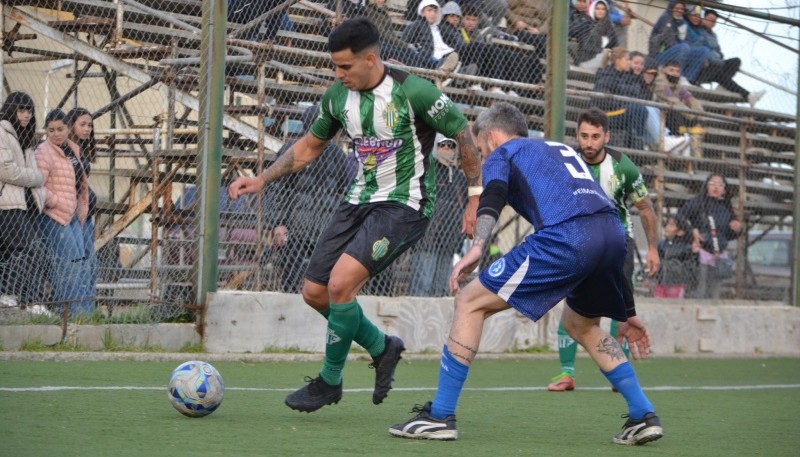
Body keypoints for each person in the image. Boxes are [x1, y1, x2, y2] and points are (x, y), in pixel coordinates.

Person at [227, 17, 482, 413]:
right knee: (314, 291)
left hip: (405, 204)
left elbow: (463, 133)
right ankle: (383, 347)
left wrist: (474, 197)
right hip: (358, 200)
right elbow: (309, 147)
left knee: (341, 285)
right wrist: (262, 179)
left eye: (345, 66)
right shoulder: (336, 98)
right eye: (334, 66)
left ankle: (330, 381)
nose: (338, 74)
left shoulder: (414, 92)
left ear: (370, 59)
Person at [388, 102, 662, 445]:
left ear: (491, 136)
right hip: (612, 235)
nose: (483, 156)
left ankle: (441, 415)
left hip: (569, 236)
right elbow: (599, 221)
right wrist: (628, 311)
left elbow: (494, 194)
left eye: (481, 148)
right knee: (582, 325)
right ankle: (642, 414)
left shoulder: (505, 151)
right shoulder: (559, 148)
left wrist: (477, 247)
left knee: (470, 301)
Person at [546, 108, 660, 392]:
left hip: (618, 245)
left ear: (606, 136)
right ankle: (566, 373)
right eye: (584, 136)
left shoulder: (623, 166)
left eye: (595, 136)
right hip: (580, 245)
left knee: (617, 311)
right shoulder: (566, 163)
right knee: (572, 306)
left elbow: (645, 208)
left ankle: (615, 373)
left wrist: (653, 249)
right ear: (577, 135)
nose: (589, 142)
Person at [264, 104, 358, 293]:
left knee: (323, 280)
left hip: (325, 227)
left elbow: (342, 192)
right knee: (292, 276)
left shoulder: (336, 154)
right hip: (296, 228)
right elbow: (277, 189)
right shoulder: (292, 150)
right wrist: (278, 224)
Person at [35, 109, 92, 317]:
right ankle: (71, 315)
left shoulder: (71, 149)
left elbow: (79, 182)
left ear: (68, 129)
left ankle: (84, 314)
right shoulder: (43, 152)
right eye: (51, 130)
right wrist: (56, 201)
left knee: (80, 264)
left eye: (60, 129)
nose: (56, 133)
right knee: (68, 265)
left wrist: (80, 207)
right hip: (54, 215)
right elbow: (37, 185)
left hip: (73, 215)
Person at [0, 92, 46, 308]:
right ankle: (12, 296)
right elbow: (6, 170)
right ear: (12, 110)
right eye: (21, 110)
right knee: (27, 249)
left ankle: (25, 301)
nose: (26, 115)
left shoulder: (26, 138)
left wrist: (38, 186)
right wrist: (36, 179)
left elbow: (30, 173)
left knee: (32, 251)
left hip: (29, 204)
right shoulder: (2, 131)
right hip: (8, 204)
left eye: (29, 111)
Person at [409, 135, 466, 297]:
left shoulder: (460, 178)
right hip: (427, 239)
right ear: (436, 147)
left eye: (451, 146)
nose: (447, 150)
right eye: (443, 146)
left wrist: (458, 240)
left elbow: (464, 209)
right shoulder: (427, 172)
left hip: (449, 242)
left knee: (441, 288)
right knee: (423, 284)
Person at [677, 173, 741, 299]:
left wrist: (737, 229)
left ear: (724, 189)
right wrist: (692, 231)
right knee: (700, 289)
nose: (716, 187)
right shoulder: (697, 203)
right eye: (712, 184)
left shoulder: (726, 208)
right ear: (706, 186)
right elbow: (680, 217)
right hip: (702, 252)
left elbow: (729, 235)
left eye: (720, 185)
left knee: (715, 292)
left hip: (719, 255)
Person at [686, 8, 765, 107]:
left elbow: (719, 52)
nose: (712, 22)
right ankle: (747, 95)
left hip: (716, 65)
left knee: (735, 61)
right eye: (710, 19)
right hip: (704, 67)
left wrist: (718, 57)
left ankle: (723, 86)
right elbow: (698, 47)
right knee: (718, 69)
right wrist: (712, 57)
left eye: (714, 21)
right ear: (704, 18)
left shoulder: (714, 35)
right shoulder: (698, 29)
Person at [66, 107, 98, 309]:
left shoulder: (80, 150)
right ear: (72, 125)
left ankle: (88, 308)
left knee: (91, 264)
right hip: (73, 215)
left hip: (86, 216)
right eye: (83, 124)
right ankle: (81, 309)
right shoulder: (66, 150)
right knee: (82, 263)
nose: (87, 129)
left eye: (90, 125)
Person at [593, 47, 647, 149]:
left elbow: (636, 94)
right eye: (627, 59)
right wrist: (623, 104)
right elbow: (601, 99)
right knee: (636, 109)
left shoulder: (628, 76)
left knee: (641, 109)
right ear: (617, 61)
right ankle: (636, 145)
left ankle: (637, 142)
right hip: (607, 114)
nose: (629, 62)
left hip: (623, 111)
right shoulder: (607, 75)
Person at [654, 60, 705, 167]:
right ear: (663, 70)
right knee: (678, 115)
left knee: (697, 124)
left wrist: (700, 114)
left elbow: (690, 98)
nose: (674, 73)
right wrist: (692, 116)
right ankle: (681, 160)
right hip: (662, 117)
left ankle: (694, 158)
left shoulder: (677, 85)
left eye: (677, 71)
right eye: (671, 70)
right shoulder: (660, 82)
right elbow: (672, 100)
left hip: (677, 115)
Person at [648, 1, 709, 84]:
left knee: (702, 51)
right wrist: (683, 47)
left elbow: (686, 40)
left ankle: (686, 78)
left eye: (681, 9)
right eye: (677, 8)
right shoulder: (665, 18)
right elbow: (668, 40)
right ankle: (678, 76)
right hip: (659, 55)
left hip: (677, 51)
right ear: (671, 8)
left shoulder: (682, 22)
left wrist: (685, 48)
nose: (679, 10)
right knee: (683, 47)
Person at [400, 0, 463, 76]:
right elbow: (404, 42)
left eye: (435, 11)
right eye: (429, 10)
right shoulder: (416, 24)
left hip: (440, 56)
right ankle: (441, 72)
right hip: (424, 57)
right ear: (422, 12)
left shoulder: (438, 28)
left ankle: (449, 70)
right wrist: (416, 47)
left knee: (457, 55)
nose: (432, 14)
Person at [654, 215, 697, 298]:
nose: (667, 227)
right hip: (661, 282)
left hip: (676, 283)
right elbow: (655, 260)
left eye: (671, 225)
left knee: (674, 306)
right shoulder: (661, 244)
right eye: (667, 225)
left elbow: (689, 267)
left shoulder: (685, 247)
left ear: (680, 232)